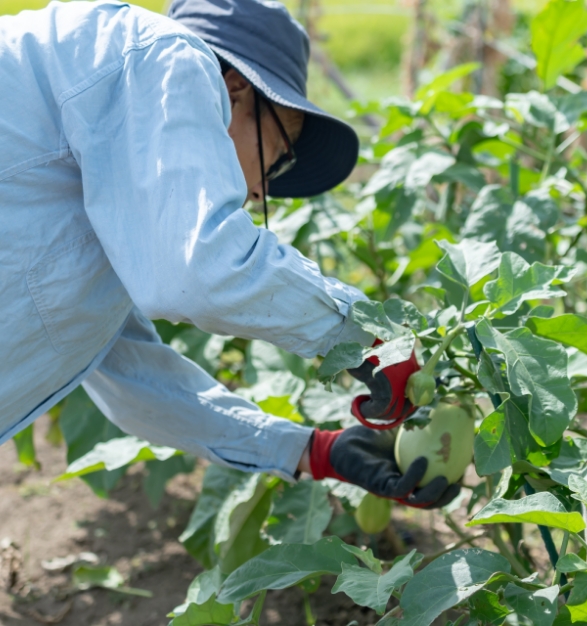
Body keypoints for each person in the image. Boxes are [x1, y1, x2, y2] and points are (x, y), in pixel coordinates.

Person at [0, 0, 459, 509]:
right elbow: (202, 270)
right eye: (278, 157)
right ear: (234, 87)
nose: (262, 191)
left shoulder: (104, 188)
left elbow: (136, 381)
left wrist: (314, 450)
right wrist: (366, 336)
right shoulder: (163, 55)